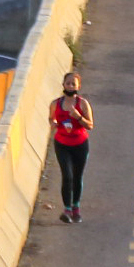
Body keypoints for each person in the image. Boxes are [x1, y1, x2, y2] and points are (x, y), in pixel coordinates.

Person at [50, 71, 94, 223]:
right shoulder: (55, 104)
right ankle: (66, 209)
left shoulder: (82, 104)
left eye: (73, 84)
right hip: (62, 144)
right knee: (67, 176)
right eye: (68, 83)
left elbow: (90, 125)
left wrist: (79, 117)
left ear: (78, 86)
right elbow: (51, 118)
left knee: (77, 176)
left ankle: (76, 208)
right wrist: (53, 124)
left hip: (80, 145)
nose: (70, 86)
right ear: (63, 85)